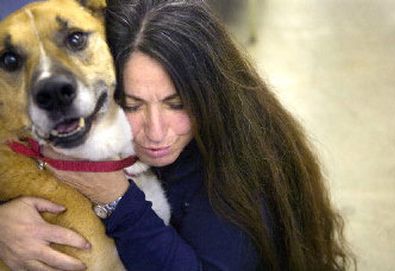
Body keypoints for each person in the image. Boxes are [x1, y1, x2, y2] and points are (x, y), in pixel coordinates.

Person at [0, 0, 355, 270]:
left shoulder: (234, 180)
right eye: (133, 103)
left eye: (177, 103)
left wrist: (117, 199)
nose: (156, 133)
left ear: (210, 91)